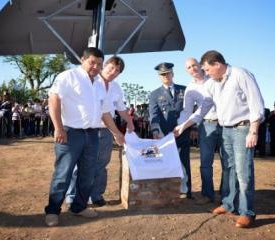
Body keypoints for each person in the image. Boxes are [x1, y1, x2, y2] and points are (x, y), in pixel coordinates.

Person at [174, 50, 265, 228]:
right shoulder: (213, 84)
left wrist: (253, 131)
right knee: (229, 169)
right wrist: (183, 126)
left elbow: (256, 103)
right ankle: (229, 204)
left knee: (243, 171)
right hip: (225, 130)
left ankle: (247, 212)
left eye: (207, 70)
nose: (205, 73)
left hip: (242, 129)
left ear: (217, 64)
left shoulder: (240, 74)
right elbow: (202, 109)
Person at [44, 47, 125, 227]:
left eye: (99, 64)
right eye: (92, 62)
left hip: (92, 134)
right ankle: (52, 210)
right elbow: (54, 99)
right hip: (70, 132)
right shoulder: (68, 76)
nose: (96, 67)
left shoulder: (98, 83)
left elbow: (105, 113)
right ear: (82, 60)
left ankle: (79, 207)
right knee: (63, 173)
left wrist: (117, 133)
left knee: (88, 173)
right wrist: (58, 128)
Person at [65, 56, 134, 207]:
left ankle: (96, 195)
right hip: (89, 129)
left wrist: (129, 121)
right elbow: (104, 112)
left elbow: (121, 108)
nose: (113, 72)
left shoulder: (116, 87)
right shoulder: (92, 82)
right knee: (81, 164)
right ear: (104, 66)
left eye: (117, 71)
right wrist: (117, 132)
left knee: (102, 164)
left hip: (106, 131)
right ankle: (72, 195)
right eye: (111, 68)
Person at [178, 58, 221, 204]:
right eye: (189, 67)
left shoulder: (215, 77)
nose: (192, 69)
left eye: (194, 65)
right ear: (187, 71)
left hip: (226, 123)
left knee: (228, 161)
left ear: (200, 65)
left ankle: (226, 194)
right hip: (206, 125)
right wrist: (179, 125)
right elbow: (187, 111)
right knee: (205, 162)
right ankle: (208, 195)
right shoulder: (190, 89)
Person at [148, 62, 192, 199]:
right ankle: (168, 191)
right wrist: (155, 130)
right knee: (167, 163)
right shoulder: (155, 94)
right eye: (162, 74)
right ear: (159, 77)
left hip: (183, 132)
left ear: (172, 73)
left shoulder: (184, 90)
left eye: (167, 73)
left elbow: (190, 111)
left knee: (184, 162)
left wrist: (193, 127)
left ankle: (186, 190)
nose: (165, 76)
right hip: (165, 135)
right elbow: (153, 115)